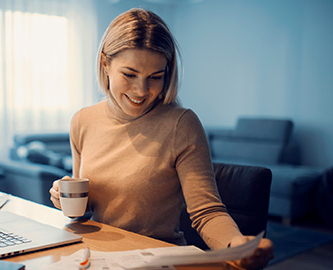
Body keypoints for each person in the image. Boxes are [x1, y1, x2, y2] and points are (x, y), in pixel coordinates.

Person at [49, 8, 274, 270]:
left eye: (155, 77)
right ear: (105, 63)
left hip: (157, 261)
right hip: (98, 256)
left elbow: (206, 212)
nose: (142, 91)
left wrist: (237, 245)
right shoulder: (82, 121)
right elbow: (84, 208)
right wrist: (63, 199)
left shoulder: (181, 124)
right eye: (129, 75)